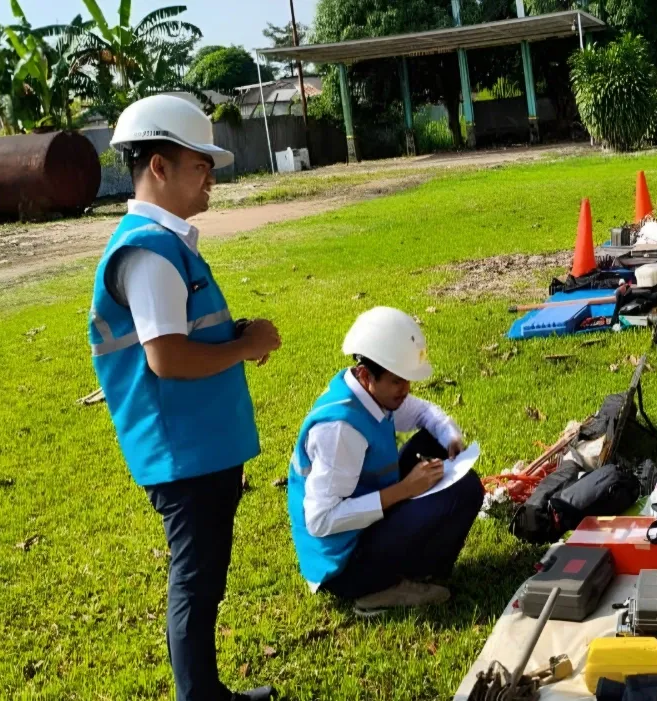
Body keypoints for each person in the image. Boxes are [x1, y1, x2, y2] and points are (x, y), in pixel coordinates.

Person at [89, 94, 279, 701]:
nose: (210, 179)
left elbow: (183, 334)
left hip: (200, 447)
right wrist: (244, 349)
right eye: (200, 165)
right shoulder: (148, 251)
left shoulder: (167, 244)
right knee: (195, 582)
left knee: (204, 579)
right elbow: (165, 357)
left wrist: (234, 335)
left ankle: (208, 692)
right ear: (160, 168)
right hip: (182, 453)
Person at [287, 306, 484, 609]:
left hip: (363, 526)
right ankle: (388, 586)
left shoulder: (369, 392)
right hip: (345, 566)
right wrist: (405, 490)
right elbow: (321, 521)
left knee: (437, 442)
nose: (405, 390)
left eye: (407, 380)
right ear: (366, 375)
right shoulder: (340, 430)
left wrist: (451, 439)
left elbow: (422, 412)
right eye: (397, 381)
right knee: (467, 490)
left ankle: (410, 567)